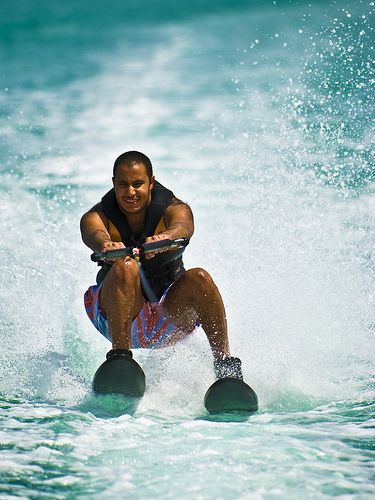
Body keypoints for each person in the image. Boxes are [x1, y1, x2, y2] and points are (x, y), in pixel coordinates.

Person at [81, 151, 243, 380]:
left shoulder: (173, 207)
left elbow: (183, 225)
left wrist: (167, 238)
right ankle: (120, 361)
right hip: (118, 319)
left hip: (169, 319)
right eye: (123, 184)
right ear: (113, 184)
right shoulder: (98, 215)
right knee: (126, 267)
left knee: (200, 277)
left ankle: (227, 368)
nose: (130, 192)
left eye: (138, 184)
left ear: (151, 182)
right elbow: (92, 232)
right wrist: (104, 244)